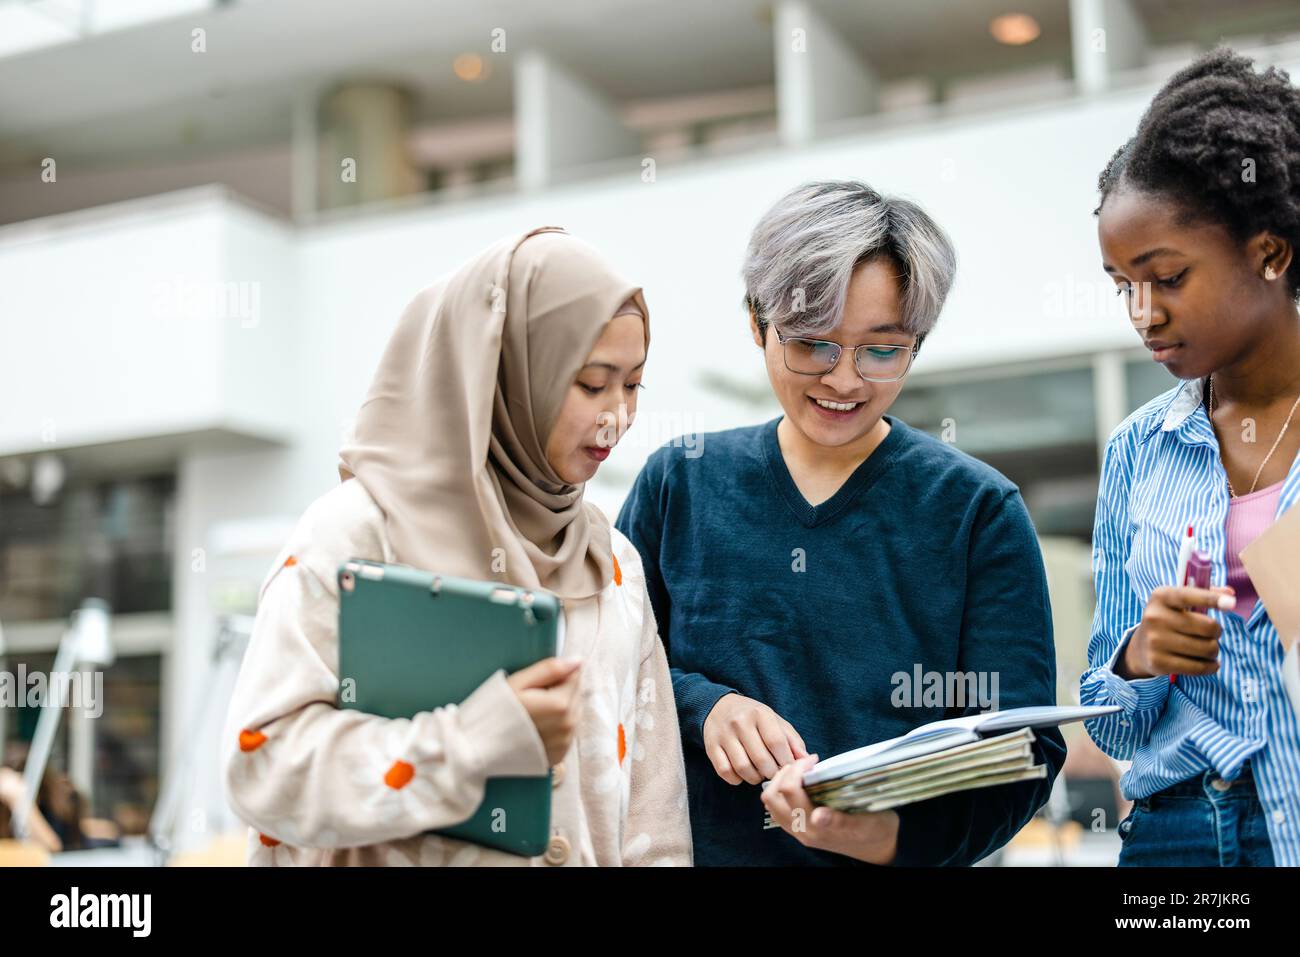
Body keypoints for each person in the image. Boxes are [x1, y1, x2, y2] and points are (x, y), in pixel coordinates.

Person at [616, 181, 1065, 866]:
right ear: (756, 323)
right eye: (813, 344)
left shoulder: (976, 512)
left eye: (881, 351)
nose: (846, 379)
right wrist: (704, 706)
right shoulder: (680, 482)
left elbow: (1025, 749)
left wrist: (885, 838)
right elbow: (604, 671)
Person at [221, 226, 691, 866]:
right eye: (591, 383)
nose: (618, 416)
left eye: (633, 385)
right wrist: (472, 742)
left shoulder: (613, 565)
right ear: (510, 371)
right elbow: (262, 764)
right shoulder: (357, 535)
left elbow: (653, 820)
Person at [1082, 47, 1300, 867]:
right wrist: (1141, 654)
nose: (1142, 312)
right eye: (1120, 285)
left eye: (1166, 276)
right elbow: (1109, 721)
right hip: (1178, 840)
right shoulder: (1140, 449)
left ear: (1269, 254)